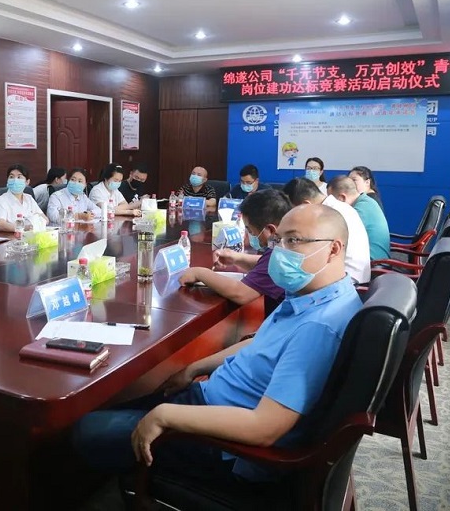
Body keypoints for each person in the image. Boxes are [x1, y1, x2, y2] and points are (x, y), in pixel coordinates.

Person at [73, 204, 361, 484]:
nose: (280, 251)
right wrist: (194, 368)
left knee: (87, 430)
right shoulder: (314, 297)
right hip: (215, 399)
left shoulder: (318, 327)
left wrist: (165, 416)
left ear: (333, 249)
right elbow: (260, 345)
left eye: (294, 241)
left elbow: (265, 428)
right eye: (278, 241)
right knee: (124, 402)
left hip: (228, 446)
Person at [179, 189, 290, 315]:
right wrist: (236, 258)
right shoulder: (289, 244)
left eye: (250, 230)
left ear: (270, 230)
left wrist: (199, 273)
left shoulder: (279, 253)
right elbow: (267, 265)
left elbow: (241, 293)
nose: (251, 235)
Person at [283, 178, 371, 284]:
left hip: (348, 280)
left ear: (306, 204)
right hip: (356, 276)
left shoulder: (326, 215)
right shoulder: (340, 207)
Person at [327, 175, 390, 260]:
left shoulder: (360, 209)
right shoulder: (366, 201)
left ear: (342, 198)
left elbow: (339, 235)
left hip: (373, 261)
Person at [0, 164, 49, 232]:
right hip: (10, 236)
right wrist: (24, 227)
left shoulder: (29, 198)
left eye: (19, 177)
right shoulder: (1, 201)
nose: (15, 180)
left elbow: (45, 219)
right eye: (11, 177)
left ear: (27, 182)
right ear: (7, 181)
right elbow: (1, 225)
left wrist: (35, 221)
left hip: (31, 235)